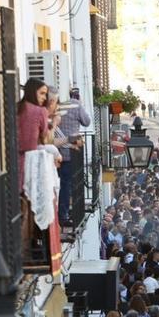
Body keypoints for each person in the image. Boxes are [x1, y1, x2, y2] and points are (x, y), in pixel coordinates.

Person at [56, 88, 91, 224]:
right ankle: (63, 214)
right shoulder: (76, 104)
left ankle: (59, 213)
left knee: (57, 185)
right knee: (66, 185)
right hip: (71, 151)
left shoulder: (58, 105)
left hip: (56, 152)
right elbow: (87, 122)